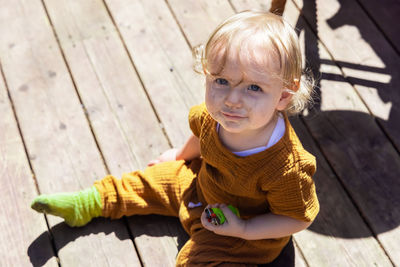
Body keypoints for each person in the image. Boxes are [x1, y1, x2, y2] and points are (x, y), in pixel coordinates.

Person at [31, 11, 319, 266]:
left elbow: (297, 218)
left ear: (283, 95)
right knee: (147, 181)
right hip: (199, 186)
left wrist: (243, 229)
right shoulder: (213, 115)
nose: (232, 100)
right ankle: (88, 203)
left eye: (253, 88)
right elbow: (201, 136)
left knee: (194, 261)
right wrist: (181, 156)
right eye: (221, 81)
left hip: (243, 229)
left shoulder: (286, 168)